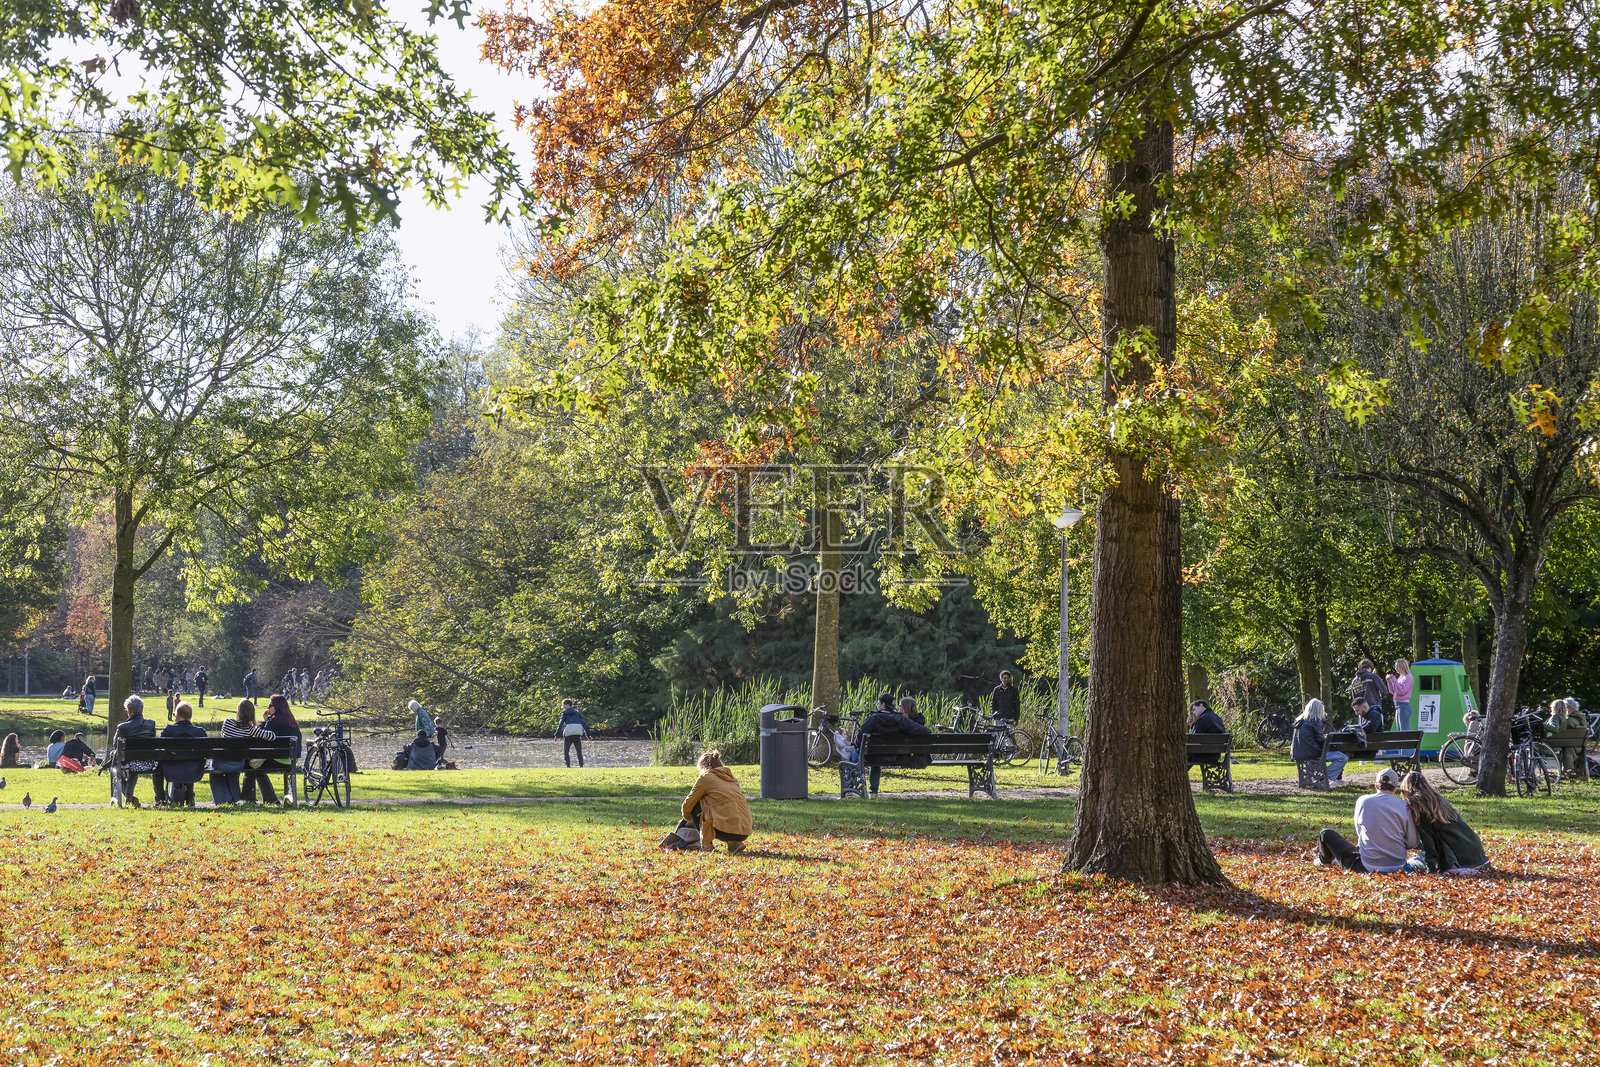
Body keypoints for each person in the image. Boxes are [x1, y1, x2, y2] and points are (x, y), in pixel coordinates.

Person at [1313, 766, 1419, 872]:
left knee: (1325, 834)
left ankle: (1323, 862)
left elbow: (1360, 834)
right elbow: (1412, 843)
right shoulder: (1404, 806)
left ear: (1376, 786)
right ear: (1395, 787)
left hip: (1366, 866)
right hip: (1398, 866)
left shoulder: (1363, 801)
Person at [659, 750, 752, 853]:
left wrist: (689, 820)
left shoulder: (706, 778)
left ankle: (707, 845)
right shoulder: (732, 779)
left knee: (695, 806)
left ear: (703, 767)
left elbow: (687, 805)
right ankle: (735, 843)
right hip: (745, 829)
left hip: (723, 830)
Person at [1397, 771, 1489, 874]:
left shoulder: (1418, 808)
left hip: (1459, 860)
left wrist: (1431, 871)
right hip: (1479, 857)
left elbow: (1429, 844)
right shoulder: (1440, 801)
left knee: (1412, 862)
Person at [857, 696, 933, 797]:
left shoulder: (874, 718)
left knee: (853, 755)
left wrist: (855, 746)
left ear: (883, 705)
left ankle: (867, 790)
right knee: (873, 755)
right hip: (895, 756)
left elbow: (860, 736)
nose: (877, 705)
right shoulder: (901, 719)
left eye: (878, 703)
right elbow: (925, 731)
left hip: (875, 757)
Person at [215, 699, 278, 805]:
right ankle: (236, 799)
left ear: (238, 711)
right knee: (235, 770)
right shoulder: (250, 729)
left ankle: (228, 800)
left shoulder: (227, 722)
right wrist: (263, 723)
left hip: (223, 760)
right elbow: (272, 736)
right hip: (238, 763)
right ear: (251, 714)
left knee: (222, 773)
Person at [114, 695, 165, 808]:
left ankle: (127, 795)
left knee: (114, 767)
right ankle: (129, 795)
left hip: (129, 764)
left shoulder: (122, 727)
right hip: (148, 763)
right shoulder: (151, 724)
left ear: (130, 710)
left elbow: (115, 745)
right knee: (134, 763)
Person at [249, 694, 301, 803]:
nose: (268, 708)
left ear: (276, 707)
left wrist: (264, 721)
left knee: (256, 769)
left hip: (279, 760)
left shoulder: (273, 721)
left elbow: (261, 737)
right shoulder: (292, 721)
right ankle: (271, 799)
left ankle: (271, 800)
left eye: (270, 706)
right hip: (292, 760)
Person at [160, 702, 208, 807]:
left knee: (158, 764)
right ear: (190, 716)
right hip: (194, 768)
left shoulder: (168, 731)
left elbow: (159, 749)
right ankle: (190, 797)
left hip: (171, 768)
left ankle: (159, 798)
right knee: (190, 762)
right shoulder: (200, 732)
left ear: (177, 715)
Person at [1349, 659, 1387, 726]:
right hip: (1374, 708)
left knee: (1363, 730)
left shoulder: (1354, 681)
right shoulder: (1373, 676)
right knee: (1377, 730)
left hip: (1361, 711)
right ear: (1370, 667)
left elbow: (1355, 699)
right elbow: (1384, 691)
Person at [555, 699, 589, 768]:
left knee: (566, 751)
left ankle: (568, 766)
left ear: (567, 705)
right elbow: (584, 724)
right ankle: (581, 766)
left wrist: (557, 735)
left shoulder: (564, 713)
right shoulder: (577, 713)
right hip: (577, 733)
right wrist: (588, 735)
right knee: (579, 751)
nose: (563, 707)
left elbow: (560, 724)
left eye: (563, 705)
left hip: (569, 734)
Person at [1387, 659, 1414, 731]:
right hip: (1398, 705)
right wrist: (1389, 681)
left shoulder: (1409, 677)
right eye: (1395, 666)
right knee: (1400, 730)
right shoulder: (1400, 677)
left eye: (1397, 666)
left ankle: (1408, 739)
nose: (1395, 668)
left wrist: (1393, 680)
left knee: (1404, 730)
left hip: (1403, 706)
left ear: (1402, 666)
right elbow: (1393, 691)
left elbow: (1402, 691)